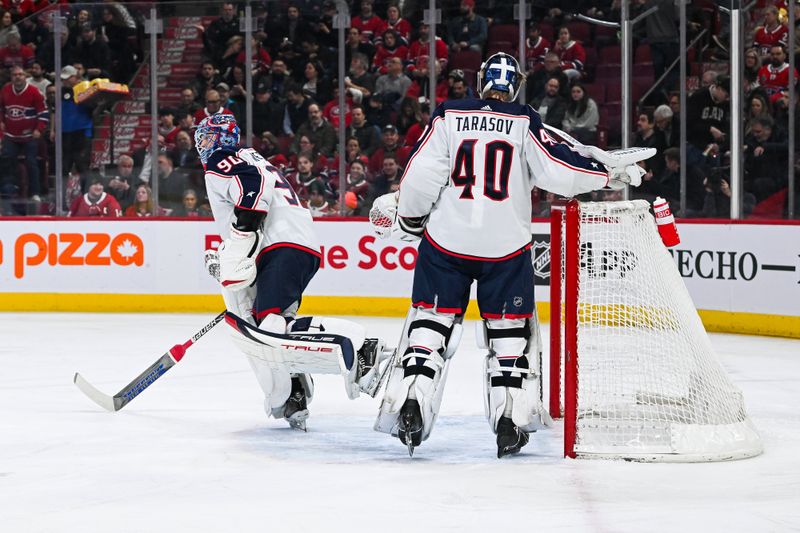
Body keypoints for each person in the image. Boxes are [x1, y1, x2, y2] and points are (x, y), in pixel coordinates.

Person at [369, 53, 648, 458]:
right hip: (504, 247)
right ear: (515, 84)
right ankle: (508, 422)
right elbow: (558, 171)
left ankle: (412, 399)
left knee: (429, 324)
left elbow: (419, 176)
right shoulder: (524, 119)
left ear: (480, 81)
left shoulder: (448, 114)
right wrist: (609, 175)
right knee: (508, 337)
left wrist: (411, 221)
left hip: (447, 242)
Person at [194, 114, 387, 430]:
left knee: (270, 324)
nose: (202, 147)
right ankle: (294, 392)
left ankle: (362, 346)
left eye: (205, 138)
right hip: (295, 244)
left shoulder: (222, 159)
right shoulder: (251, 156)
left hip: (280, 244)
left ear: (220, 138)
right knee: (269, 326)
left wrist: (240, 242)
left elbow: (251, 190)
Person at [0, 65, 47, 202]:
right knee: (8, 162)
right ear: (11, 77)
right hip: (11, 135)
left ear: (25, 76)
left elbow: (43, 113)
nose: (18, 77)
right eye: (15, 75)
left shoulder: (34, 92)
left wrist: (39, 129)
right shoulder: (5, 90)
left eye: (20, 74)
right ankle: (10, 190)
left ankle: (35, 193)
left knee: (31, 162)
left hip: (29, 136)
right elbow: (1, 108)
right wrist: (1, 121)